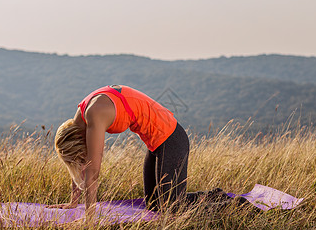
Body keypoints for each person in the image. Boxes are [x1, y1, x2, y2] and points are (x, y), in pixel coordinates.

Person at [48, 85, 207, 213]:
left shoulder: (94, 114)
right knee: (153, 205)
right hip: (155, 144)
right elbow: (78, 162)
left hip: (172, 140)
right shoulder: (81, 116)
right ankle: (210, 196)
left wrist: (89, 219)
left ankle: (226, 203)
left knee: (171, 207)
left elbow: (93, 172)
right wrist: (73, 202)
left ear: (76, 142)